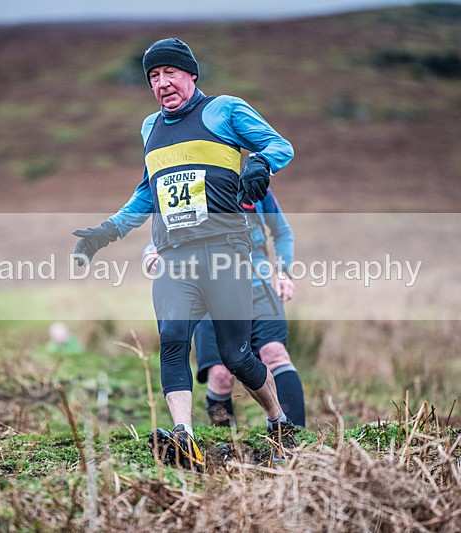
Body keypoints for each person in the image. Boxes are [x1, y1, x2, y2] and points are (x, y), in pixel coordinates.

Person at [72, 38, 295, 468]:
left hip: (225, 251)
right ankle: (184, 437)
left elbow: (281, 147)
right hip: (174, 255)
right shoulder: (149, 128)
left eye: (170, 73)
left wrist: (258, 163)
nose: (162, 83)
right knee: (173, 342)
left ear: (191, 74)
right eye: (153, 77)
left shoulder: (224, 110)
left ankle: (278, 421)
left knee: (236, 356)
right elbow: (147, 192)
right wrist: (106, 232)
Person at [143, 188, 306, 430]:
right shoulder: (196, 183)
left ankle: (295, 436)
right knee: (221, 375)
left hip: (258, 287)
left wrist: (283, 271)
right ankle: (226, 444)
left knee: (275, 353)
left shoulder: (255, 184)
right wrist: (151, 253)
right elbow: (164, 235)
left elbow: (282, 231)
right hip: (211, 292)